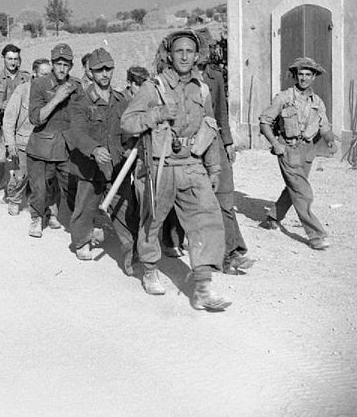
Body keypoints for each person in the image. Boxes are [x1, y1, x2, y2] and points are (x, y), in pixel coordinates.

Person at [120, 29, 231, 311]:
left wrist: (214, 167)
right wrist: (157, 114)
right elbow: (128, 123)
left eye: (189, 52)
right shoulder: (152, 87)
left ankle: (203, 287)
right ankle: (149, 269)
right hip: (160, 166)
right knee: (152, 220)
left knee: (207, 220)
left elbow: (210, 126)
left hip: (192, 164)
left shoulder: (202, 88)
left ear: (197, 56)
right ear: (169, 55)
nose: (184, 56)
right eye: (178, 51)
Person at [162, 57, 253, 274]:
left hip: (211, 141)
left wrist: (228, 142)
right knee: (181, 195)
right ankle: (172, 238)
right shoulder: (172, 77)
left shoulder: (215, 76)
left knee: (222, 196)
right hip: (184, 148)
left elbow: (220, 111)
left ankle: (230, 251)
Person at [68, 48, 139, 264]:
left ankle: (131, 249)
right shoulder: (81, 101)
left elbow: (128, 129)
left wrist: (129, 145)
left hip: (117, 167)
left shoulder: (121, 100)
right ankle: (81, 242)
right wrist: (94, 149)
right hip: (90, 167)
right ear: (91, 72)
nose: (105, 74)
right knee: (85, 206)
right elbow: (78, 133)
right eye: (99, 70)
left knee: (125, 208)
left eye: (108, 69)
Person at [259, 56, 336, 250]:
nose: (303, 78)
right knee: (303, 192)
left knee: (294, 188)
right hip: (288, 149)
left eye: (308, 74)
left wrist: (330, 141)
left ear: (314, 77)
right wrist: (276, 144)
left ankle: (272, 217)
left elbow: (324, 126)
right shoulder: (283, 98)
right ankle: (316, 235)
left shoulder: (317, 101)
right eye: (300, 74)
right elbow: (264, 122)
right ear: (295, 76)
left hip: (307, 151)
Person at [27, 43, 82, 238]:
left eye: (66, 64)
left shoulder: (76, 86)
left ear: (71, 66)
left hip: (66, 148)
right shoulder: (39, 84)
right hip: (41, 147)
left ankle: (69, 220)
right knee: (39, 188)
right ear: (52, 64)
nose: (61, 68)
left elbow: (81, 117)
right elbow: (35, 118)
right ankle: (36, 217)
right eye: (58, 63)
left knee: (70, 187)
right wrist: (57, 98)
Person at [2, 58, 53, 216]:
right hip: (24, 141)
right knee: (21, 175)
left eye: (49, 74)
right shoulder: (23, 90)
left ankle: (39, 205)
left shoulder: (53, 93)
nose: (47, 78)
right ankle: (14, 198)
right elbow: (9, 118)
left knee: (43, 179)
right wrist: (10, 143)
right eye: (43, 74)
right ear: (34, 73)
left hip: (44, 143)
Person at [0, 44, 30, 202]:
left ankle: (19, 190)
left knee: (21, 159)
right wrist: (1, 105)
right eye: (10, 58)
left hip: (20, 126)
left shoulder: (25, 78)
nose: (13, 62)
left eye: (16, 59)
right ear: (4, 59)